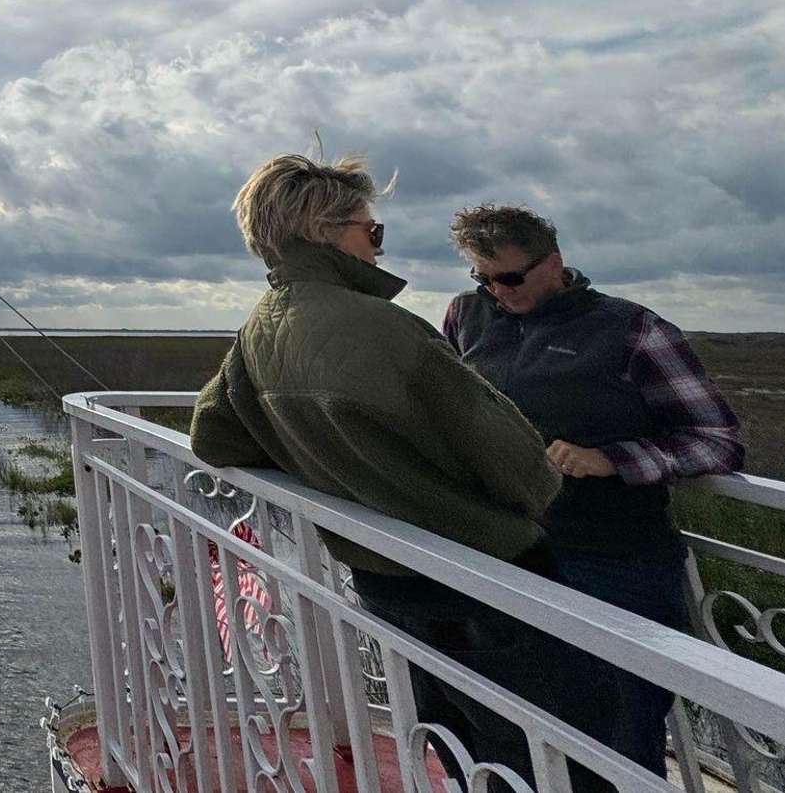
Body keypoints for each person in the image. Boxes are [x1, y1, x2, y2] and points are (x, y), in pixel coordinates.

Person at [187, 153, 617, 793]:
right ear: (324, 232)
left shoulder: (259, 329)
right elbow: (529, 477)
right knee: (565, 756)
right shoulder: (390, 330)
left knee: (466, 747)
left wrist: (325, 458)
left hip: (383, 576)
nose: (378, 247)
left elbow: (211, 436)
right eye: (372, 231)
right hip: (484, 574)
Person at [445, 204, 745, 776]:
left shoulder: (633, 330)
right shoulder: (467, 317)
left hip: (616, 563)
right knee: (519, 722)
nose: (497, 291)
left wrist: (615, 459)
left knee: (621, 729)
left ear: (554, 263)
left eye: (510, 277)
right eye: (483, 278)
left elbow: (717, 440)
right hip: (509, 551)